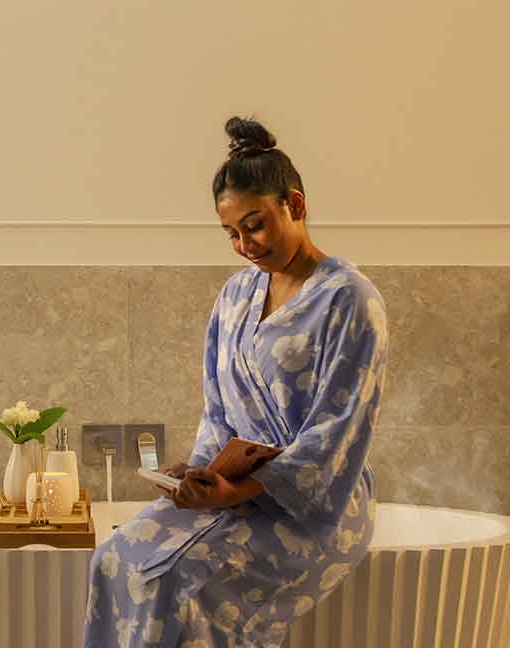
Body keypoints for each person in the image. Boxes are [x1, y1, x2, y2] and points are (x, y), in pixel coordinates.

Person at [82, 116, 389, 647]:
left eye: (255, 225)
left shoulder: (350, 299)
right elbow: (218, 411)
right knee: (113, 557)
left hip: (312, 509)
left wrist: (238, 488)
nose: (244, 244)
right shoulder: (234, 297)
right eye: (231, 233)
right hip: (227, 493)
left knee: (173, 580)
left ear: (295, 205)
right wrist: (200, 475)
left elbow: (335, 437)